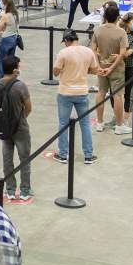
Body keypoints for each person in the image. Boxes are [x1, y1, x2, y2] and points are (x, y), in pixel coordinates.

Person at [53, 30, 102, 164]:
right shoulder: (88, 52)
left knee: (63, 123)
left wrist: (65, 69)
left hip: (65, 92)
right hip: (82, 92)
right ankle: (88, 155)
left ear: (67, 40)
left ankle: (63, 154)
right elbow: (94, 70)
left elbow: (56, 72)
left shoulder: (63, 53)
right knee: (85, 124)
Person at [0, 56, 33, 201]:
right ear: (14, 70)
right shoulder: (20, 86)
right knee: (24, 158)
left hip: (4, 127)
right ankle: (25, 190)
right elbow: (29, 107)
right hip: (20, 127)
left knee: (7, 158)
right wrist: (21, 118)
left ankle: (10, 189)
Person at [91, 5, 130, 135]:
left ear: (105, 17)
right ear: (118, 17)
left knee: (101, 93)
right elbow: (122, 53)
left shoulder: (97, 30)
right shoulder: (121, 32)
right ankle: (119, 126)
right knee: (118, 95)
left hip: (101, 67)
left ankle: (100, 123)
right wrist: (112, 68)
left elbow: (93, 50)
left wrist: (99, 67)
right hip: (116, 69)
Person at [0, 0, 20, 81]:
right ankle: (11, 77)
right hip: (14, 38)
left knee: (1, 60)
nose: (1, 5)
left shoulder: (5, 16)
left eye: (2, 3)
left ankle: (1, 77)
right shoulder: (15, 14)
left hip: (6, 39)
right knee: (10, 61)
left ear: (6, 4)